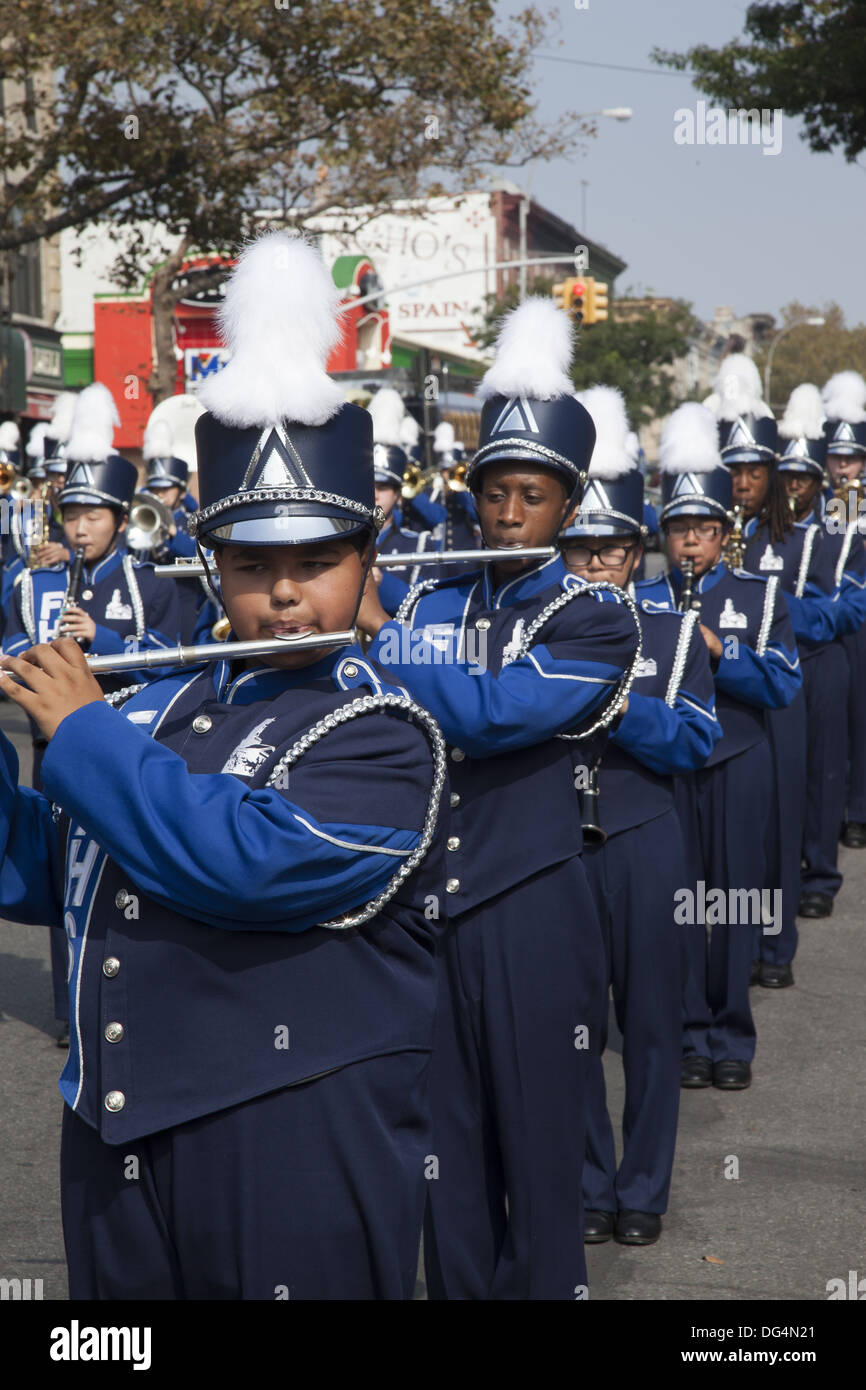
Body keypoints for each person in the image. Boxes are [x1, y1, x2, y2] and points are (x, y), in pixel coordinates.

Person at [0, 230, 448, 1301]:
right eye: (253, 565)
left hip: (290, 1133)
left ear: (365, 566)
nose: (284, 594)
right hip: (113, 1131)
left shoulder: (385, 732)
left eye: (315, 563)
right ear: (213, 570)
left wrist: (82, 730)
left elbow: (238, 862)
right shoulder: (153, 707)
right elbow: (39, 875)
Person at [356, 296, 640, 1298]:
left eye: (530, 495)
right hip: (424, 913)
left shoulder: (594, 616)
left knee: (537, 1154)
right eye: (493, 493)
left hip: (532, 911)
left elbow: (489, 716)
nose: (508, 514)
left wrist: (378, 647)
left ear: (566, 507)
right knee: (444, 1159)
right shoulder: (430, 595)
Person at [560, 389, 721, 1248]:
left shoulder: (673, 633)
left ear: (634, 553)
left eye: (612, 549)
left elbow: (697, 739)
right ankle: (589, 1184)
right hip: (558, 847)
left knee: (653, 1025)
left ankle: (645, 1190)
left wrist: (623, 707)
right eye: (581, 549)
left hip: (647, 840)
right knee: (573, 1023)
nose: (596, 564)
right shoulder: (535, 635)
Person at [638, 402, 802, 1090]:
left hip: (737, 761)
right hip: (669, 767)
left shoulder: (757, 596)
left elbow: (783, 682)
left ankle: (732, 1032)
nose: (689, 545)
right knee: (677, 903)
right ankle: (686, 1032)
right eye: (678, 531)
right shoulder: (642, 598)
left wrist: (719, 648)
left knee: (733, 903)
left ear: (722, 534)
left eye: (702, 530)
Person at [821, 372, 866, 849]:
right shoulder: (825, 502)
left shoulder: (849, 500)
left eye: (851, 458)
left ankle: (858, 810)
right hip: (836, 616)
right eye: (837, 457)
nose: (844, 467)